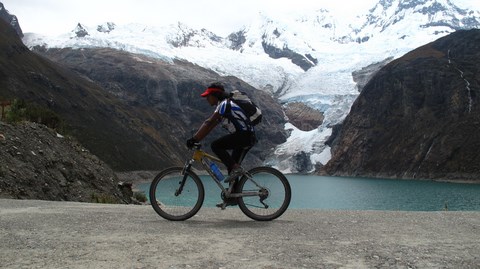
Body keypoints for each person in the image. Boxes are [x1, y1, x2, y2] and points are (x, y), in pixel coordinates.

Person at [186, 82, 257, 184]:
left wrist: (194, 139)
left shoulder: (224, 105)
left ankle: (235, 170)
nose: (207, 99)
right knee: (231, 166)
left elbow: (208, 122)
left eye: (208, 96)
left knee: (215, 145)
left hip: (244, 136)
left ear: (215, 95)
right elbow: (210, 127)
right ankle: (234, 196)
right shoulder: (226, 105)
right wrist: (197, 139)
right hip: (248, 136)